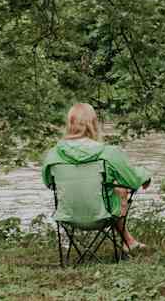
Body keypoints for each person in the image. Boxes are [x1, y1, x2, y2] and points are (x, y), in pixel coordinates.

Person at [41, 102, 152, 252]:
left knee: (105, 187)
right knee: (119, 188)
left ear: (69, 124)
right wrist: (145, 175)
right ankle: (128, 242)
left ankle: (129, 241)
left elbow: (49, 183)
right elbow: (132, 181)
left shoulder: (53, 154)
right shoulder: (108, 153)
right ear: (93, 124)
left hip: (67, 216)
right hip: (103, 216)